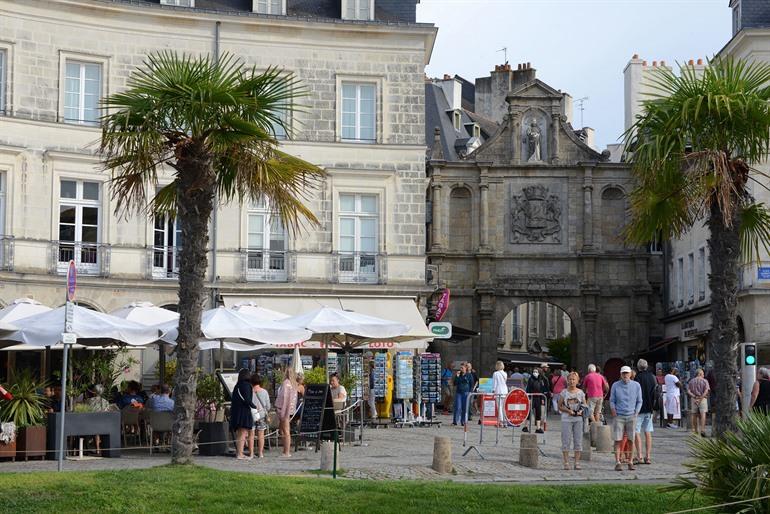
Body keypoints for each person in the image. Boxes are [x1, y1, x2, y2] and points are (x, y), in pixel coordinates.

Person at [610, 365, 642, 471]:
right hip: (619, 415)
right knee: (617, 439)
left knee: (631, 439)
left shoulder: (636, 385)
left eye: (627, 373)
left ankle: (630, 461)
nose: (625, 375)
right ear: (620, 374)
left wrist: (636, 412)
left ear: (630, 374)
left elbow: (640, 400)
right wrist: (613, 410)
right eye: (623, 373)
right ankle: (617, 461)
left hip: (631, 415)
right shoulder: (615, 385)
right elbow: (612, 399)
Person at [558, 371, 586, 470]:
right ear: (567, 380)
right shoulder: (564, 392)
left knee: (578, 440)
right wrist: (567, 410)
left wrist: (580, 411)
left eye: (574, 379)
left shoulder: (581, 393)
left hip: (578, 419)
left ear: (577, 381)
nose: (572, 381)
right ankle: (566, 462)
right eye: (570, 379)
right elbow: (559, 406)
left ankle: (577, 462)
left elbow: (584, 406)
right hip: (566, 419)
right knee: (566, 440)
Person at [230, 369, 257, 460]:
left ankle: (239, 452)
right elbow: (247, 399)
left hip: (236, 411)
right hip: (244, 411)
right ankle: (240, 454)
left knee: (240, 433)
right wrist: (254, 406)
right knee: (243, 433)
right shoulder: (247, 385)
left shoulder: (237, 385)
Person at [634, 359, 657, 465]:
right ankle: (648, 456)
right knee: (648, 432)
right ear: (646, 366)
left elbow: (636, 394)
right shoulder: (652, 377)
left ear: (638, 367)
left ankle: (639, 456)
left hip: (639, 408)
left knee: (637, 432)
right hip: (650, 408)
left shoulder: (637, 378)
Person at [275, 367, 297, 457]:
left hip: (284, 409)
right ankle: (285, 450)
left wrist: (278, 407)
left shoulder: (286, 384)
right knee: (284, 430)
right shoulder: (294, 384)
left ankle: (286, 451)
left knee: (286, 431)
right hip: (290, 409)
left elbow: (283, 398)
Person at [249, 373, 270, 459]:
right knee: (261, 435)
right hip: (261, 415)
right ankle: (260, 453)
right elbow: (268, 406)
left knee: (251, 435)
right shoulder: (264, 392)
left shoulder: (249, 392)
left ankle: (251, 453)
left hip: (251, 415)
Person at [525, 367, 549, 434]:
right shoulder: (530, 379)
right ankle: (526, 426)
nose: (535, 373)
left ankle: (538, 427)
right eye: (534, 371)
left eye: (536, 372)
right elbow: (528, 389)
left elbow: (542, 389)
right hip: (531, 397)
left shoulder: (540, 380)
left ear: (539, 373)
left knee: (538, 413)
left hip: (538, 398)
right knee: (529, 412)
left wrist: (542, 399)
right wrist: (529, 398)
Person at [687, 368, 710, 437]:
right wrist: (701, 398)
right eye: (703, 374)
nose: (703, 375)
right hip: (702, 399)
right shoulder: (705, 381)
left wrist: (694, 396)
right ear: (699, 374)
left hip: (694, 399)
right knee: (703, 414)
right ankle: (702, 430)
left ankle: (695, 430)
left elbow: (688, 391)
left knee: (694, 414)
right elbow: (706, 390)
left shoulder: (691, 381)